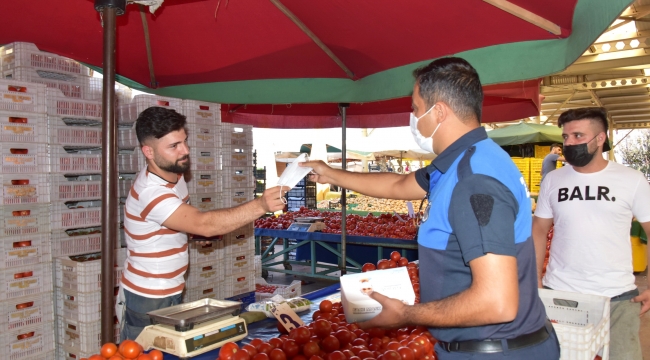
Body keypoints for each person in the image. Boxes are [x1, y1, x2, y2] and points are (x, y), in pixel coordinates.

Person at [302, 57, 559, 359]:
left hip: (494, 351)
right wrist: (330, 174)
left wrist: (407, 314)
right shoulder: (464, 160)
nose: (413, 117)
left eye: (415, 107)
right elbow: (398, 186)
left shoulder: (473, 180)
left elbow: (497, 302)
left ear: (438, 112)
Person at [118, 107, 286, 340]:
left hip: (172, 288)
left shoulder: (174, 175)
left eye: (184, 141)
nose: (185, 151)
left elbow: (176, 223)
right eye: (174, 146)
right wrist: (260, 206)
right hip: (148, 295)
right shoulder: (150, 192)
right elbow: (203, 223)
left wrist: (191, 233)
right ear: (148, 151)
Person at [533, 107, 650, 360]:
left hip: (617, 299)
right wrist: (535, 281)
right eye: (565, 137)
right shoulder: (553, 181)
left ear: (600, 138)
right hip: (561, 295)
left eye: (578, 136)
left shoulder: (632, 180)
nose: (569, 143)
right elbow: (539, 230)